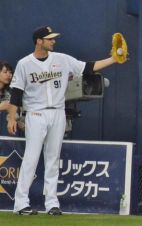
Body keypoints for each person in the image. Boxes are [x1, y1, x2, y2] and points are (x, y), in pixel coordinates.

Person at [7, 26, 123, 215]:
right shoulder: (24, 64)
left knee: (53, 159)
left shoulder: (62, 59)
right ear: (39, 41)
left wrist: (113, 59)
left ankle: (52, 204)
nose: (53, 41)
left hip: (58, 113)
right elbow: (16, 94)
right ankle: (21, 203)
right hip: (36, 114)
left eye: (53, 39)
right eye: (49, 39)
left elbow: (88, 67)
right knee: (31, 158)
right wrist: (11, 118)